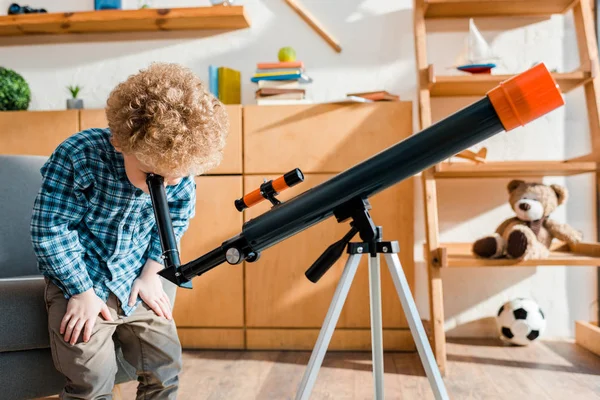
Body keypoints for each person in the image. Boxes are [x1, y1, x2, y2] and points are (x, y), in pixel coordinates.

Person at [30, 62, 229, 399]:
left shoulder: (177, 170)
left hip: (134, 278)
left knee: (166, 368)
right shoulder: (80, 156)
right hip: (81, 280)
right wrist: (81, 292)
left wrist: (152, 273)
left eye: (174, 177)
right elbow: (50, 230)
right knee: (92, 379)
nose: (163, 186)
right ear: (121, 141)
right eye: (153, 175)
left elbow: (177, 218)